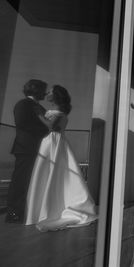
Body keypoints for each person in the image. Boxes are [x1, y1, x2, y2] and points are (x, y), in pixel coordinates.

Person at [25, 85, 97, 231]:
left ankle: (47, 209)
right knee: (53, 173)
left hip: (53, 143)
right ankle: (48, 207)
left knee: (50, 172)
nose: (48, 93)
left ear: (56, 96)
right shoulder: (57, 111)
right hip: (55, 143)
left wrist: (38, 114)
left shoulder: (59, 113)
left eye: (51, 92)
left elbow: (51, 127)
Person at [5, 79, 49, 223]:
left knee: (30, 180)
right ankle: (13, 213)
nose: (46, 93)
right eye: (44, 90)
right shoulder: (23, 104)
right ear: (37, 90)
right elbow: (22, 123)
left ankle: (24, 210)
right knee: (20, 181)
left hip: (35, 148)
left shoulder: (37, 106)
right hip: (26, 148)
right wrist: (46, 130)